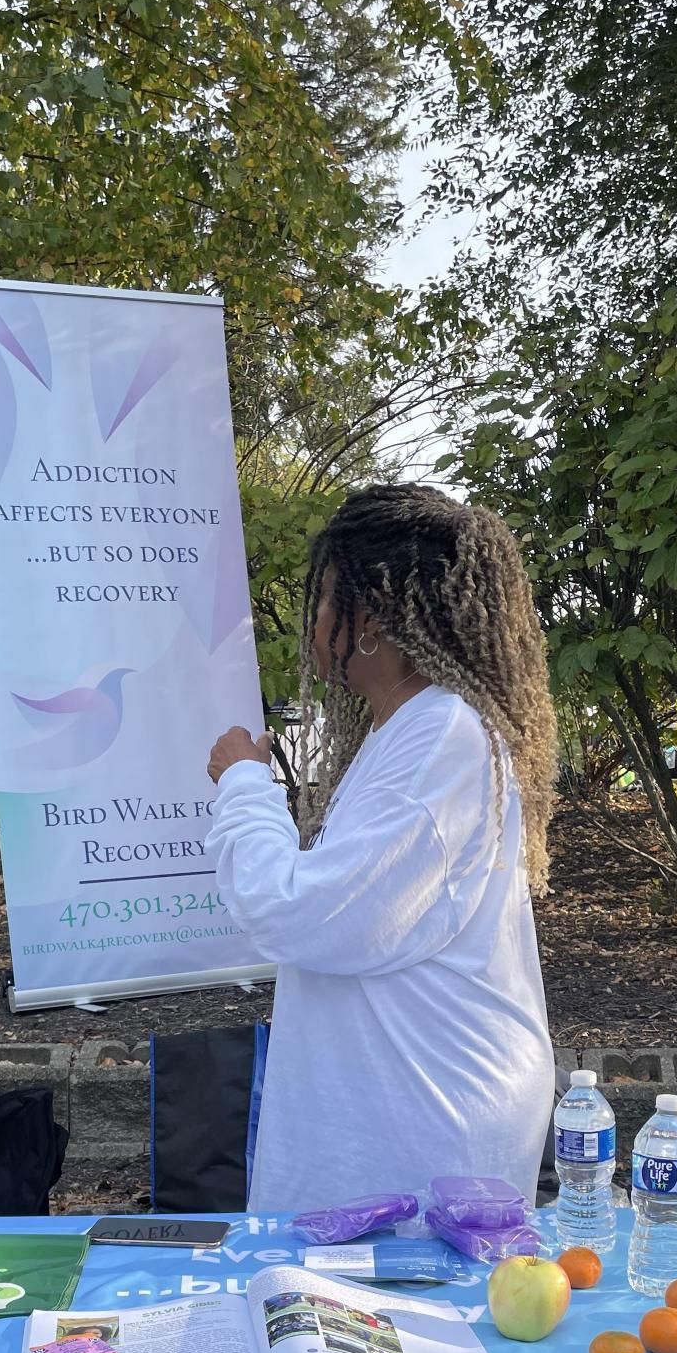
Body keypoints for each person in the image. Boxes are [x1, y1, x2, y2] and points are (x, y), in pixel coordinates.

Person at [205, 483, 557, 1211]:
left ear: (368, 619)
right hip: (408, 1106)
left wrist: (244, 785)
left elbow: (304, 914)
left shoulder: (442, 739)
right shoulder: (412, 731)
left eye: (327, 599)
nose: (316, 622)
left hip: (429, 1125)